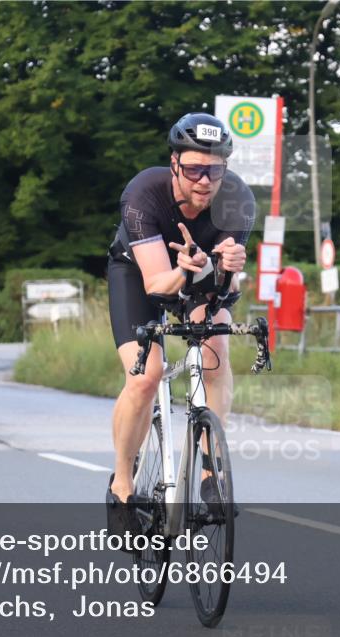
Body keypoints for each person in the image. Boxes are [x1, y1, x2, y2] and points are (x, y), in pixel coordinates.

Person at [105, 112, 255, 512]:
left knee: (216, 355)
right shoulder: (144, 194)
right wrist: (184, 269)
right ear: (174, 163)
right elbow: (156, 286)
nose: (204, 181)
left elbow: (224, 289)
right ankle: (122, 481)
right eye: (192, 169)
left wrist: (230, 267)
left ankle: (209, 471)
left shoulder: (237, 199)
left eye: (214, 170)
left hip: (198, 273)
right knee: (145, 377)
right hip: (140, 274)